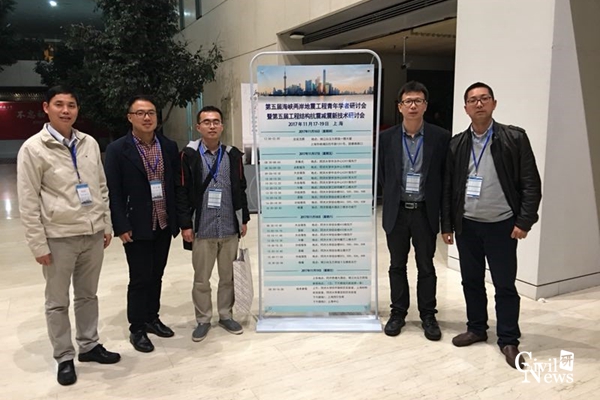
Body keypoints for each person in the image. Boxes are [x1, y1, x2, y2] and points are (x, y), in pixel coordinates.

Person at [17, 86, 120, 386]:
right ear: (45, 108)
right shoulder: (33, 149)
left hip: (92, 234)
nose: (66, 110)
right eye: (59, 104)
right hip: (58, 237)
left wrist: (105, 224)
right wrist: (38, 244)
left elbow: (101, 187)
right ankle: (64, 356)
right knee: (57, 301)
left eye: (71, 105)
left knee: (88, 295)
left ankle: (89, 345)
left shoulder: (88, 143)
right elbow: (28, 200)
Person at [441, 82, 542, 369]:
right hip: (467, 226)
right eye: (473, 100)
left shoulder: (514, 138)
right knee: (471, 281)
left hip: (502, 226)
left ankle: (509, 339)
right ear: (465, 108)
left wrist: (524, 221)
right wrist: (447, 225)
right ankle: (476, 328)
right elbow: (449, 188)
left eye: (484, 98)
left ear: (494, 104)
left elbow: (531, 183)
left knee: (504, 285)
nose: (479, 104)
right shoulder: (457, 144)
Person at [104, 95, 180, 353]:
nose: (147, 117)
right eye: (140, 113)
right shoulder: (117, 150)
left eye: (151, 112)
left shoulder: (168, 146)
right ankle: (137, 327)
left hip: (163, 222)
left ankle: (151, 317)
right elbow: (113, 191)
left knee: (157, 274)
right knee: (139, 278)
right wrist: (120, 224)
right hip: (136, 225)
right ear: (130, 117)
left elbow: (174, 185)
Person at [378, 81, 451, 340]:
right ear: (399, 106)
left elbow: (445, 179)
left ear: (425, 106)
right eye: (408, 101)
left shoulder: (441, 137)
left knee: (426, 266)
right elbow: (382, 174)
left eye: (418, 101)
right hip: (396, 212)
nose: (412, 106)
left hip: (424, 212)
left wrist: (446, 220)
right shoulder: (386, 138)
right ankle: (398, 312)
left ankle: (428, 315)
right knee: (396, 265)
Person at [176, 105, 250, 342]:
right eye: (206, 122)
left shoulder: (232, 155)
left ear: (222, 126)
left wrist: (243, 219)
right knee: (201, 279)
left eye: (216, 121)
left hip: (229, 226)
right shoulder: (189, 156)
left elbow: (240, 188)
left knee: (228, 277)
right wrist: (185, 225)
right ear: (198, 127)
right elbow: (181, 191)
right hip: (203, 228)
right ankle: (203, 319)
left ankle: (226, 315)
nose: (211, 126)